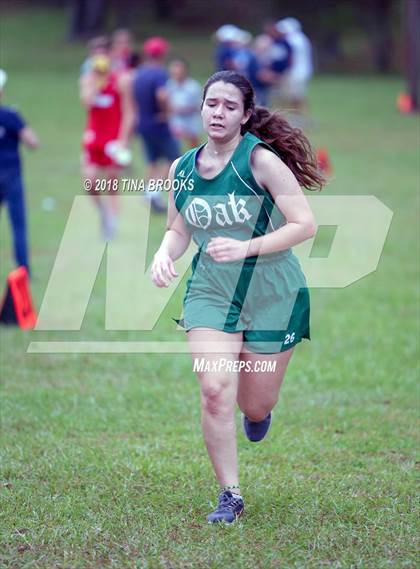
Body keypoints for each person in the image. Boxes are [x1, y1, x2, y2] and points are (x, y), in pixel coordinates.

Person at [151, 70, 324, 524]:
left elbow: (304, 224)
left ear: (246, 115)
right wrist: (163, 255)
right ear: (200, 107)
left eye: (229, 106)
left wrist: (245, 246)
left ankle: (257, 413)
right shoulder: (182, 168)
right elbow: (178, 228)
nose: (218, 112)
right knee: (213, 390)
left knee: (255, 404)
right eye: (212, 103)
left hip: (273, 292)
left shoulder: (260, 161)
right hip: (211, 291)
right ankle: (230, 495)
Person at [80, 54, 135, 239]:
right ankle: (103, 211)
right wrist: (95, 85)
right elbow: (86, 102)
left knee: (112, 180)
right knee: (90, 181)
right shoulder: (89, 82)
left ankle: (112, 219)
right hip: (94, 138)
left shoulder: (119, 83)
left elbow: (129, 112)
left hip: (112, 138)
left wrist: (124, 139)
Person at [132, 37, 181, 213]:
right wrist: (167, 112)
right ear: (162, 53)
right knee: (174, 158)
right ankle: (153, 193)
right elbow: (162, 95)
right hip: (158, 123)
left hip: (143, 123)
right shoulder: (159, 73)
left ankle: (148, 192)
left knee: (152, 160)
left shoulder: (139, 73)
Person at [0, 69, 39, 274]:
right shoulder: (10, 116)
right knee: (18, 225)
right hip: (11, 175)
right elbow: (33, 142)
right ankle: (23, 269)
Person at [276, 18, 313, 112]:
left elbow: (290, 58)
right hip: (301, 71)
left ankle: (298, 115)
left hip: (296, 71)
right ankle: (298, 115)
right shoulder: (301, 38)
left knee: (295, 95)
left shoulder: (293, 39)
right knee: (296, 95)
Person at [166, 58, 202, 149]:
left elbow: (199, 106)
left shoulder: (193, 86)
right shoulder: (169, 85)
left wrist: (185, 110)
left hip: (191, 122)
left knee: (193, 148)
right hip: (175, 121)